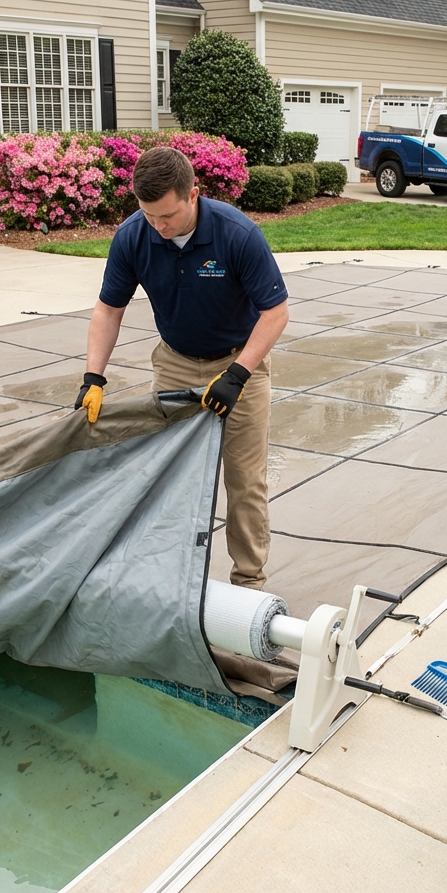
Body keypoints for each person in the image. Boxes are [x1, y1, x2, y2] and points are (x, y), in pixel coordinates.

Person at [75, 146, 288, 589]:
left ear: (195, 193)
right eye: (149, 215)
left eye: (168, 216)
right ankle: (168, 578)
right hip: (174, 363)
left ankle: (248, 584)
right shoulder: (134, 236)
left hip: (237, 363)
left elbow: (276, 312)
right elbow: (108, 310)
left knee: (244, 481)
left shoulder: (236, 234)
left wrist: (238, 374)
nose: (159, 226)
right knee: (169, 474)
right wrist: (93, 377)